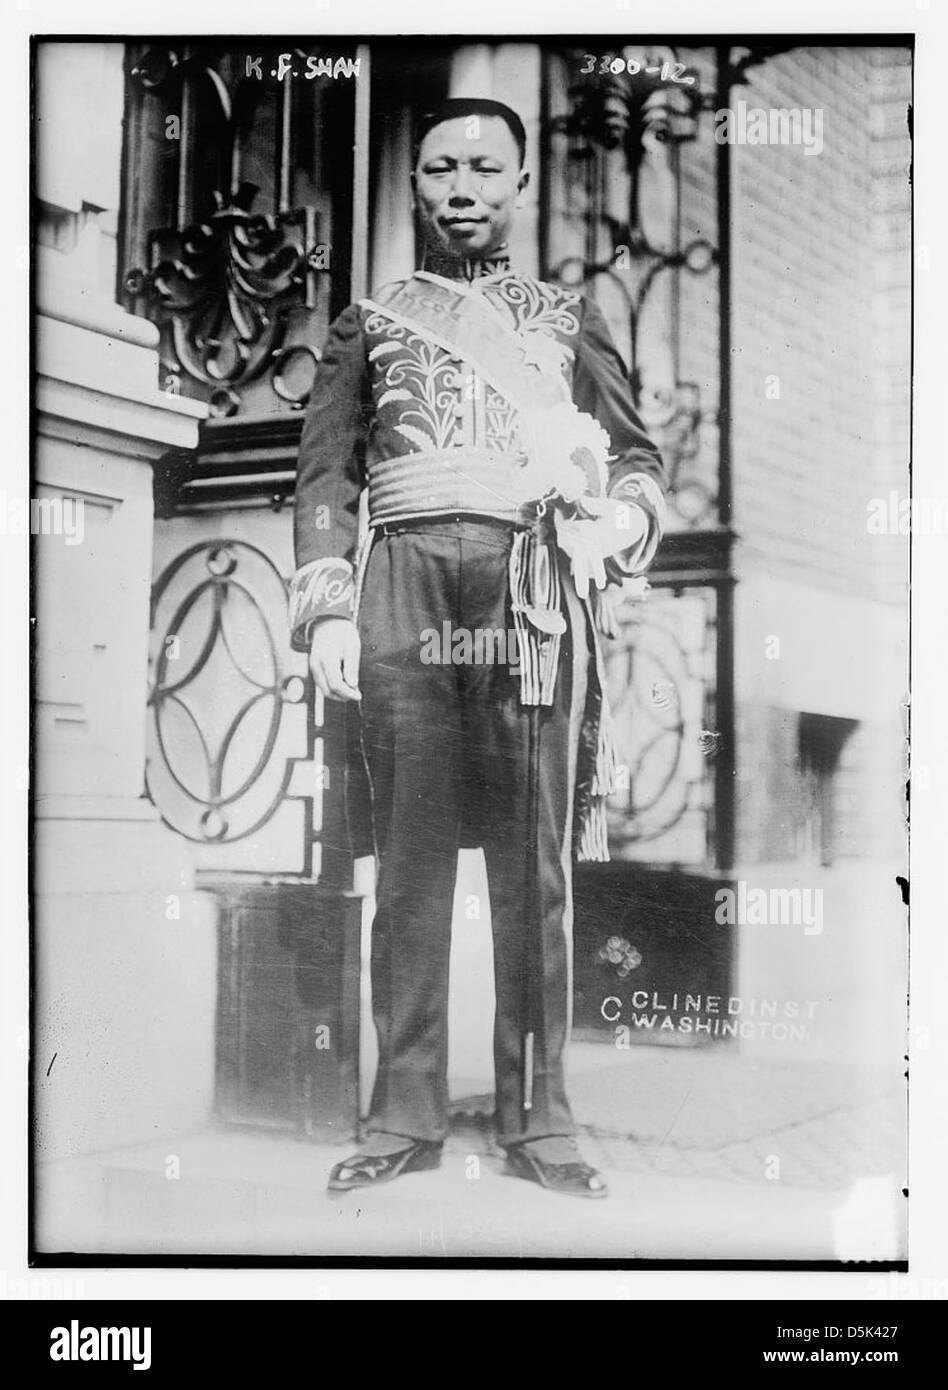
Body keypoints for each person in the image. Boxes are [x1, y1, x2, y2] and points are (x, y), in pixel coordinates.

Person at [288, 98, 666, 1198]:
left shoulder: (566, 316)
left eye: (485, 169)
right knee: (405, 864)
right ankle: (401, 1109)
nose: (462, 186)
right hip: (403, 585)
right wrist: (329, 607)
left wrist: (626, 517)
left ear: (518, 185)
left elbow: (636, 458)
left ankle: (539, 1121)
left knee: (532, 865)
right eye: (442, 166)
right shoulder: (368, 321)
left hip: (531, 593)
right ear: (414, 182)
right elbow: (325, 478)